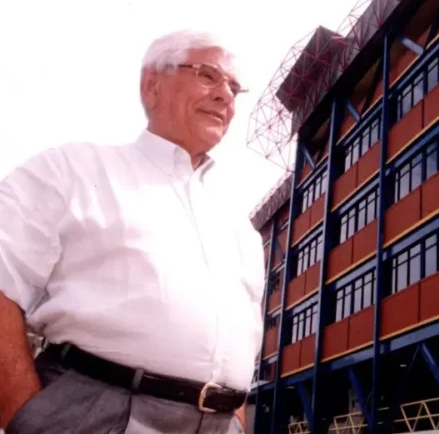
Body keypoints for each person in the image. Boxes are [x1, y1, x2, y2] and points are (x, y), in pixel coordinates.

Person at [0, 30, 265, 433]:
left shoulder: (239, 227)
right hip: (98, 414)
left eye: (234, 87)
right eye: (208, 75)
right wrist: (27, 416)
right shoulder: (71, 170)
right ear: (152, 85)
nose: (225, 96)